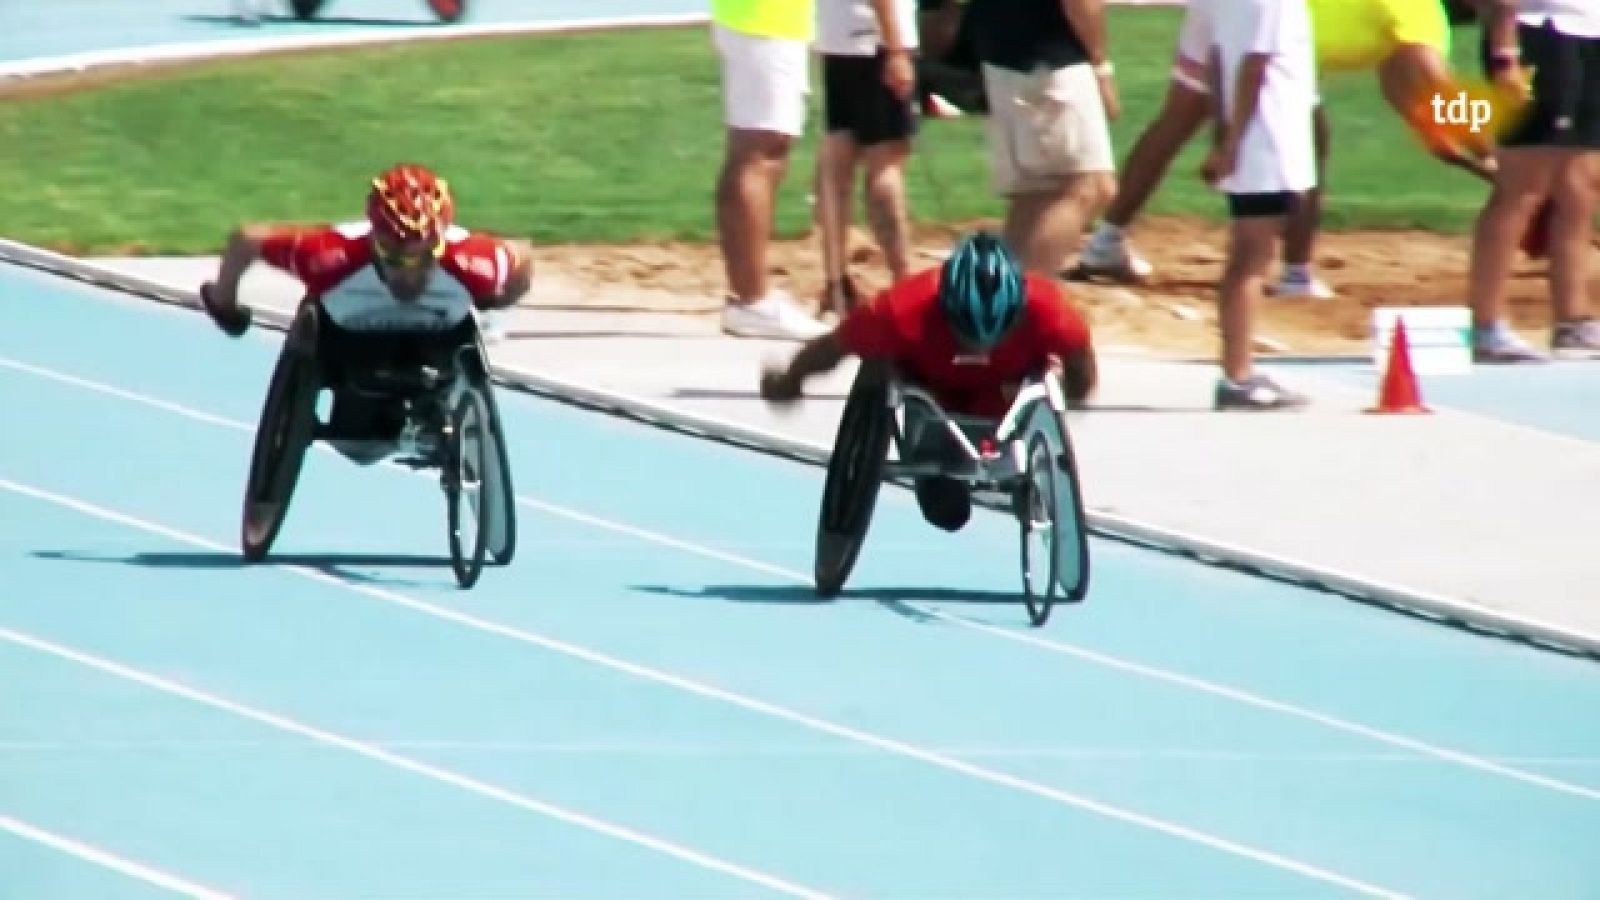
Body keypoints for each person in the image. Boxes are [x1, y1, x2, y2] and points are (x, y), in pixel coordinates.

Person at [1078, 0, 1495, 298]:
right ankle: (1296, 275)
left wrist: (1478, 159)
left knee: (1177, 120)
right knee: (1311, 140)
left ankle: (1106, 241)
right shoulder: (1420, 13)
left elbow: (1419, 107)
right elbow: (1445, 96)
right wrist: (1496, 159)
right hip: (1268, 28)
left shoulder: (1403, 22)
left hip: (1222, 11)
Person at [198, 163, 535, 464]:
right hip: (350, 353)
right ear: (374, 240)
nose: (410, 274)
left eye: (424, 258)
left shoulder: (476, 262)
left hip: (437, 348)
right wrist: (224, 302)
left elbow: (522, 259)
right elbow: (246, 241)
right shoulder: (328, 257)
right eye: (396, 259)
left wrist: (497, 300)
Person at [760, 231, 1097, 531]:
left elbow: (1081, 365)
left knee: (1010, 484)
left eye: (995, 337)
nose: (979, 348)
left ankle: (1020, 477)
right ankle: (937, 475)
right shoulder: (900, 311)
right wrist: (790, 380)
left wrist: (1070, 399)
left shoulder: (1051, 311)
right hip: (933, 398)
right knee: (947, 513)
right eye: (966, 335)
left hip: (1004, 398)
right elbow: (833, 348)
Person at [1199, 0, 1319, 410]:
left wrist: (1222, 133)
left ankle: (1238, 369)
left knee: (1248, 257)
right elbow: (1255, 66)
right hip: (1266, 141)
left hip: (1252, 140)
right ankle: (1238, 374)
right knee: (1251, 259)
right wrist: (1232, 144)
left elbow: (1216, 60)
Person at [1465, 0, 1600, 362]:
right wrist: (1504, 52)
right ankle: (1486, 325)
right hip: (1541, 35)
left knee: (1581, 188)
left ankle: (1574, 321)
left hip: (1588, 35)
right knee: (1524, 187)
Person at [964, 0, 1120, 277]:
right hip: (1050, 63)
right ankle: (1026, 292)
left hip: (1003, 53)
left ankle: (1000, 292)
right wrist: (1101, 68)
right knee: (1086, 186)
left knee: (1036, 192)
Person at [711, 0, 833, 340]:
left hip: (768, 21)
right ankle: (752, 300)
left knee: (764, 149)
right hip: (765, 21)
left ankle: (750, 296)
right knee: (760, 148)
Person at [814, 0, 921, 314]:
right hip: (875, 39)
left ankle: (836, 283)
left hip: (837, 38)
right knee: (885, 161)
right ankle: (903, 282)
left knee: (838, 156)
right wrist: (896, 49)